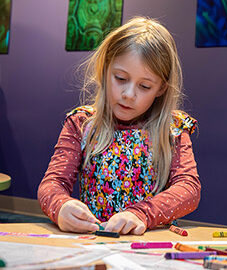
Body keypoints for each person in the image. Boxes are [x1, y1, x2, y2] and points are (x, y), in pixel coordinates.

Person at [37, 16, 200, 235]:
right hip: (95, 243)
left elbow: (189, 189)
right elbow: (52, 184)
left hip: (148, 246)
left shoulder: (173, 129)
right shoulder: (82, 123)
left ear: (161, 88)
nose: (129, 94)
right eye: (121, 78)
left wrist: (141, 214)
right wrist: (60, 206)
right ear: (105, 69)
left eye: (144, 86)